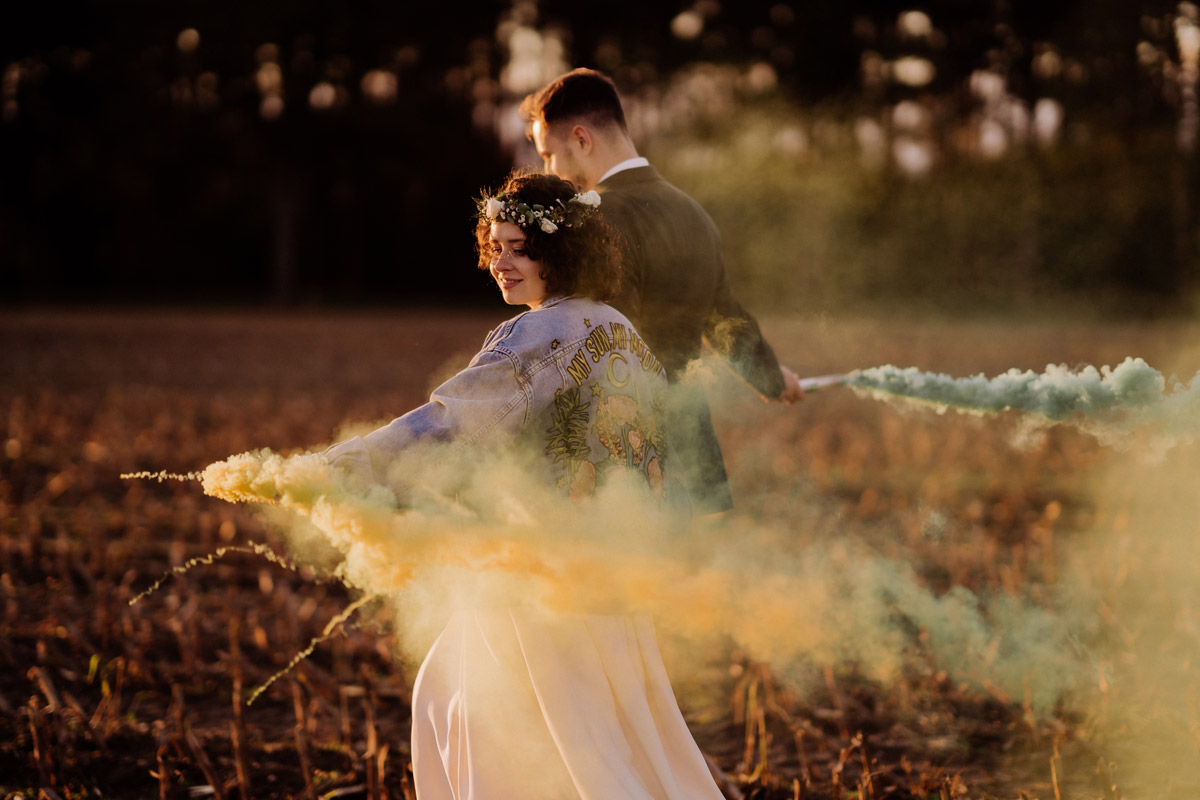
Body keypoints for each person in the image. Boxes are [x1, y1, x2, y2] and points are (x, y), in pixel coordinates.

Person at [323, 171, 727, 800]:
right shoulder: (622, 329)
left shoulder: (543, 331)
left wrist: (344, 466)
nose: (502, 265)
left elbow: (456, 422)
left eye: (520, 249)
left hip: (541, 580)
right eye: (495, 247)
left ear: (561, 254)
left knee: (492, 727)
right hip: (617, 580)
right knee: (607, 741)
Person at [520, 68, 805, 514]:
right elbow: (728, 320)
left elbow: (606, 349)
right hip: (698, 454)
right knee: (697, 581)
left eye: (547, 155)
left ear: (580, 138)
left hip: (636, 462)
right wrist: (770, 376)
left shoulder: (596, 221)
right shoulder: (694, 214)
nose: (546, 170)